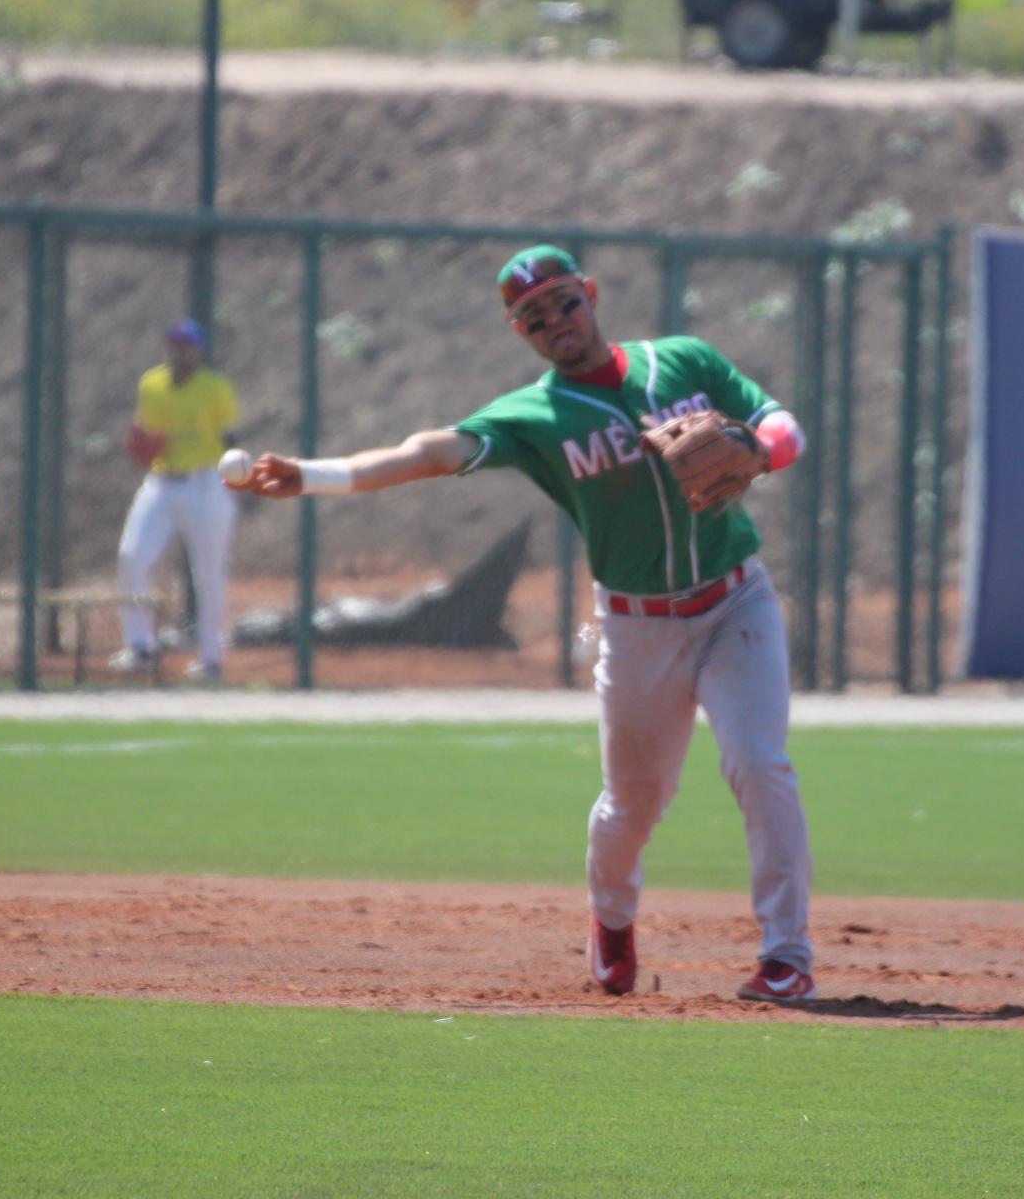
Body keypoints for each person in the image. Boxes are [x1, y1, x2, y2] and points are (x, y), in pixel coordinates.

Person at [234, 245, 818, 1003]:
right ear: (522, 333)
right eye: (535, 317)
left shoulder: (683, 361)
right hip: (637, 630)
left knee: (758, 760)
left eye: (566, 302)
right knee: (633, 805)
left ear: (592, 294)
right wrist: (316, 475)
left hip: (737, 603)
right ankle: (612, 924)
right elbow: (427, 453)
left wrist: (758, 451)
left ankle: (787, 955)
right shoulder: (534, 415)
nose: (557, 322)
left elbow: (787, 430)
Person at [111, 317, 239, 684]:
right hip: (162, 483)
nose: (179, 351)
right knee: (131, 557)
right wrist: (140, 443)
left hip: (205, 483)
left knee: (209, 573)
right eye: (174, 344)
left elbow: (230, 437)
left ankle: (211, 658)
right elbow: (146, 435)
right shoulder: (151, 385)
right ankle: (140, 646)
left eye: (187, 345)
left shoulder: (215, 387)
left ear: (198, 350)